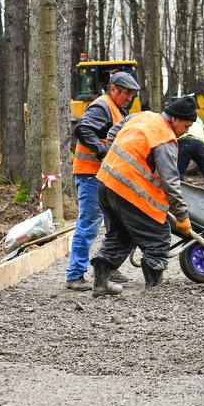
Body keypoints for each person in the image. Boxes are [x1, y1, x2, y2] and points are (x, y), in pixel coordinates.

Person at [89, 95, 198, 295]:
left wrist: (120, 159)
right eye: (186, 126)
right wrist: (182, 216)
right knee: (158, 236)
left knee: (119, 235)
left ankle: (101, 285)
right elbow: (171, 182)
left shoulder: (142, 116)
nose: (186, 132)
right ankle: (154, 292)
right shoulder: (165, 138)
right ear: (174, 119)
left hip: (106, 181)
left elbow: (113, 132)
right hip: (129, 190)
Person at [65, 71, 140, 291]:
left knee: (114, 223)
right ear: (114, 89)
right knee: (88, 224)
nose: (129, 98)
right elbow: (83, 129)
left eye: (132, 95)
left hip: (103, 175)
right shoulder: (102, 106)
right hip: (91, 174)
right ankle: (75, 275)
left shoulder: (116, 108)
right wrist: (101, 152)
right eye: (127, 93)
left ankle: (108, 267)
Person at [177, 114, 204, 189]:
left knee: (180, 169)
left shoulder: (183, 116)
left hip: (185, 141)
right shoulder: (199, 119)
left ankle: (179, 189)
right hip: (200, 143)